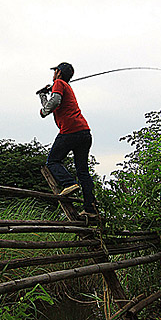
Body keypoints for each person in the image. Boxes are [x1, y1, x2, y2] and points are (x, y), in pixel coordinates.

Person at [38, 62, 98, 217]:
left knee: (52, 161)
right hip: (84, 132)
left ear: (58, 73)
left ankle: (69, 183)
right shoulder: (65, 87)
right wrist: (43, 96)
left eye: (54, 72)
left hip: (71, 130)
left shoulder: (59, 84)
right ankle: (90, 209)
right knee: (83, 171)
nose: (53, 75)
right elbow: (52, 106)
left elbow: (54, 103)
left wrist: (43, 110)